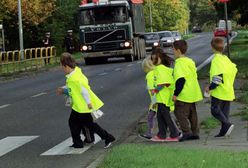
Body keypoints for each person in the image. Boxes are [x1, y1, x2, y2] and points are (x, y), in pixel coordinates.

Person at [56, 52, 115, 148]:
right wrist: (64, 90)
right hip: (79, 106)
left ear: (66, 66)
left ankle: (106, 137)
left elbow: (84, 91)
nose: (62, 69)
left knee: (83, 124)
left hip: (83, 106)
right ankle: (81, 142)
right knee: (84, 124)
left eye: (62, 67)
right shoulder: (75, 74)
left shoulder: (75, 79)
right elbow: (73, 89)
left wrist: (89, 103)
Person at [205, 37, 237, 137]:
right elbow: (233, 70)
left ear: (212, 48)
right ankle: (223, 131)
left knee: (215, 110)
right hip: (228, 90)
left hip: (219, 91)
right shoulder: (226, 59)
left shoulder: (216, 60)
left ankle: (227, 125)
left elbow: (217, 78)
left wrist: (209, 87)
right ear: (223, 48)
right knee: (224, 112)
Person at [172, 40, 203, 141]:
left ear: (178, 50)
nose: (173, 51)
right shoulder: (190, 61)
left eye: (173, 49)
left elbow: (181, 80)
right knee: (192, 114)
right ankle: (195, 132)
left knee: (179, 112)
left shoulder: (179, 63)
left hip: (184, 94)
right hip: (193, 92)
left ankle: (186, 132)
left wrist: (176, 94)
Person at [150, 47, 181, 142]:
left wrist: (155, 90)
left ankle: (174, 133)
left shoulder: (160, 69)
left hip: (163, 97)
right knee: (160, 117)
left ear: (160, 59)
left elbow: (164, 83)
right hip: (162, 97)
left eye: (155, 58)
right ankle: (161, 134)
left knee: (166, 116)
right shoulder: (163, 69)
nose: (153, 60)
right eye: (152, 59)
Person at [139, 56, 157, 140]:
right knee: (164, 117)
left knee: (150, 117)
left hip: (156, 101)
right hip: (161, 99)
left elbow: (152, 90)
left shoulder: (149, 75)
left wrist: (153, 102)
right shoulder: (156, 72)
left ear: (146, 68)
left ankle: (150, 133)